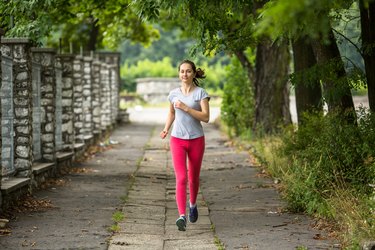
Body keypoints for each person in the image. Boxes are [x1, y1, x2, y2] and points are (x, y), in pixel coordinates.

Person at [160, 59, 210, 231]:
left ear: (194, 73)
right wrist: (166, 128)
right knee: (181, 178)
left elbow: (206, 117)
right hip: (177, 140)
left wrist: (187, 108)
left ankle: (193, 205)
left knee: (193, 177)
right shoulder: (173, 94)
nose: (185, 74)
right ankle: (181, 216)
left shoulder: (201, 93)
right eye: (182, 71)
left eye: (188, 71)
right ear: (179, 73)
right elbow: (171, 112)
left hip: (196, 140)